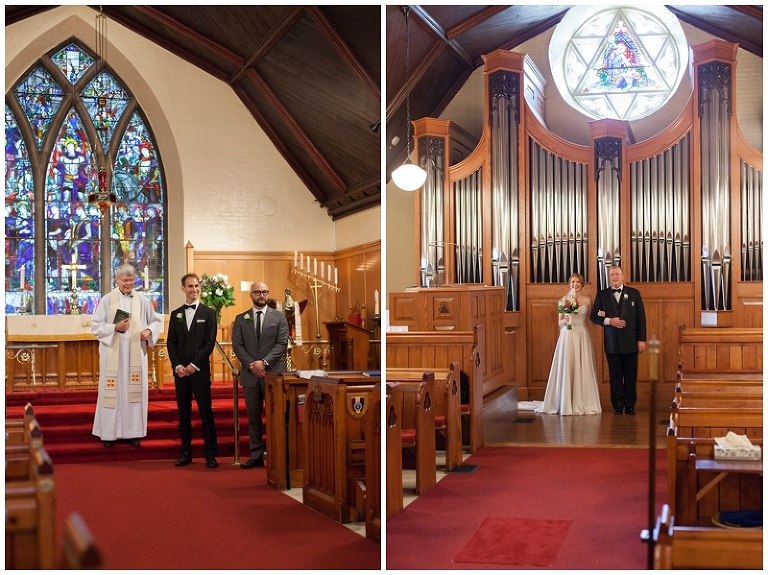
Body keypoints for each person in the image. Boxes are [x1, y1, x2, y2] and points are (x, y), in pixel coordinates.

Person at [91, 264, 162, 447]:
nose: (128, 284)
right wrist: (115, 327)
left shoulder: (143, 301)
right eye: (125, 280)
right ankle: (108, 434)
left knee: (133, 391)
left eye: (131, 280)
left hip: (135, 354)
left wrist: (148, 330)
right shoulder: (107, 300)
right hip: (113, 352)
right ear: (117, 280)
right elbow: (96, 327)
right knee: (112, 391)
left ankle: (133, 432)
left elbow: (156, 321)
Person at [231, 281, 289, 468]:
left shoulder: (279, 317)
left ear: (268, 293)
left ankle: (276, 454)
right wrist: (252, 365)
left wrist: (263, 363)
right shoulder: (241, 319)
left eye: (264, 292)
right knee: (253, 418)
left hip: (273, 374)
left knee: (275, 417)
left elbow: (281, 343)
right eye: (257, 292)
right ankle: (256, 455)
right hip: (250, 376)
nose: (261, 295)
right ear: (251, 295)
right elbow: (237, 345)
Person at [166, 273, 219, 468]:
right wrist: (178, 366)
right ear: (183, 288)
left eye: (197, 286)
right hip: (181, 373)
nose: (194, 289)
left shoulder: (208, 313)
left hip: (200, 372)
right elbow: (171, 342)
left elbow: (209, 342)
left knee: (206, 412)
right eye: (190, 286)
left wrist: (194, 365)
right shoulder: (176, 314)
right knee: (184, 413)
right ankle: (186, 452)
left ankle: (210, 454)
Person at [536, 273, 601, 415]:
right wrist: (565, 320)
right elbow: (559, 322)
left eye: (578, 282)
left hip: (582, 335)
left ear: (582, 284)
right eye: (572, 282)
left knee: (582, 366)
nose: (575, 284)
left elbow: (592, 319)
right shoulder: (564, 300)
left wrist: (601, 315)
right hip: (567, 335)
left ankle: (582, 402)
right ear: (569, 284)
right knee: (567, 366)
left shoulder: (588, 300)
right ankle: (565, 402)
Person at [590, 265, 647, 415]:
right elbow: (593, 316)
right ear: (609, 277)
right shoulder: (602, 295)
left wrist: (641, 339)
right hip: (612, 343)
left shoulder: (634, 294)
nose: (615, 277)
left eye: (617, 274)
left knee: (630, 375)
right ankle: (618, 406)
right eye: (612, 275)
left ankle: (630, 406)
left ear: (622, 276)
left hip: (631, 341)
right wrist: (609, 321)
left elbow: (641, 318)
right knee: (615, 376)